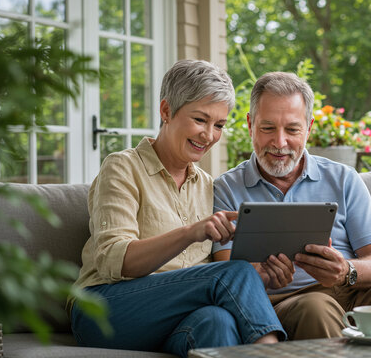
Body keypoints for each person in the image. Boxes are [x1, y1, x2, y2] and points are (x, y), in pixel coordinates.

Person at [212, 71, 371, 340]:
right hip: (284, 302)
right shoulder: (227, 188)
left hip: (353, 291)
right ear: (250, 124)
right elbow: (224, 275)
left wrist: (345, 271)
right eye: (268, 128)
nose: (280, 143)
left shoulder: (343, 178)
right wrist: (262, 276)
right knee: (316, 306)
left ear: (309, 128)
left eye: (292, 129)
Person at [67, 60, 286, 357]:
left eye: (219, 125)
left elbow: (202, 280)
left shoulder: (209, 186)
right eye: (200, 120)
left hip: (173, 318)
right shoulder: (122, 167)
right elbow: (114, 261)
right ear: (166, 111)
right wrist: (190, 233)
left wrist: (260, 276)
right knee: (233, 273)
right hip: (105, 310)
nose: (209, 135)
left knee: (217, 321)